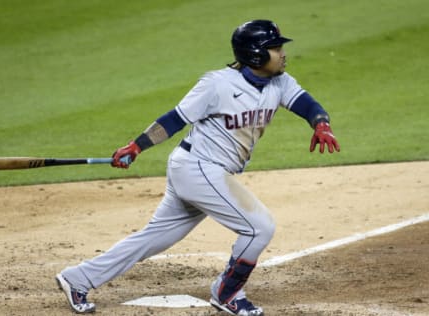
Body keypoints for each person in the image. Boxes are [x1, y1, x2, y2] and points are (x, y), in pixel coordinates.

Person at [55, 19, 340, 315]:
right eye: (275, 48)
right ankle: (227, 293)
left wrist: (321, 124)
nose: (282, 53)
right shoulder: (217, 85)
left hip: (201, 171)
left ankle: (77, 278)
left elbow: (308, 105)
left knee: (155, 237)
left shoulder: (280, 82)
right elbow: (175, 119)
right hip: (198, 168)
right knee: (259, 227)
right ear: (256, 54)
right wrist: (136, 145)